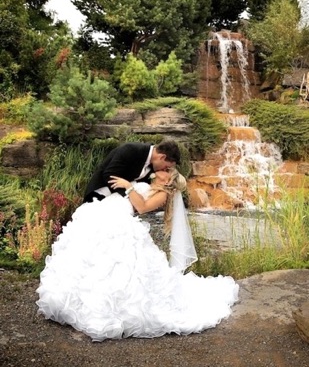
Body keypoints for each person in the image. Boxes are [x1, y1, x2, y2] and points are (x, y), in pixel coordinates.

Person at [36, 168, 239, 342]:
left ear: (168, 179)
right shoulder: (148, 181)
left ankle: (111, 309)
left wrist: (128, 185)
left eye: (167, 170)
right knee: (93, 259)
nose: (162, 168)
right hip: (107, 213)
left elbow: (141, 207)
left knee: (118, 266)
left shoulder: (162, 194)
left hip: (122, 222)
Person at [83, 140, 181, 203]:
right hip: (99, 196)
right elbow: (109, 175)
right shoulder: (131, 150)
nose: (164, 170)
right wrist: (131, 196)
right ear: (162, 157)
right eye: (166, 166)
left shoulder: (152, 165)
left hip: (119, 202)